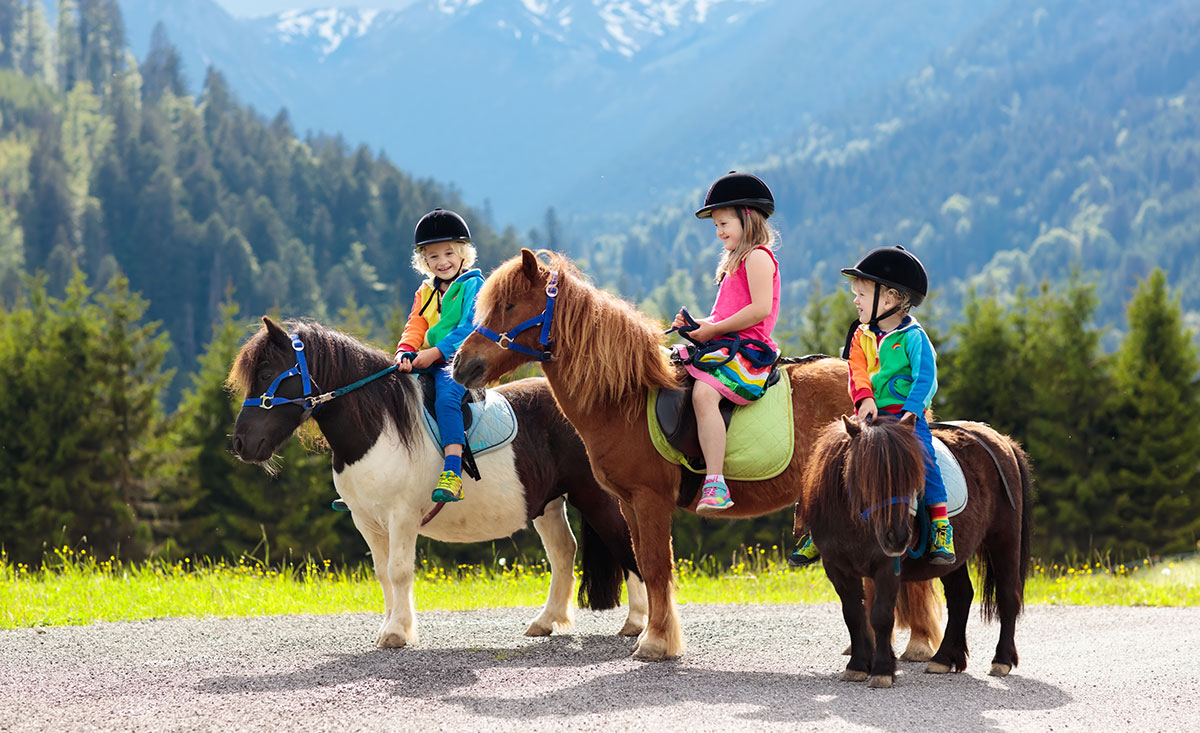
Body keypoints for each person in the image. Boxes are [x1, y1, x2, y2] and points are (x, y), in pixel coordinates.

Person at [791, 245, 956, 566]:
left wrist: (912, 411)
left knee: (925, 460)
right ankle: (817, 527)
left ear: (890, 298)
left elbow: (926, 377)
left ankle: (940, 525)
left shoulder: (914, 337)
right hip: (868, 415)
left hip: (905, 418)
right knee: (833, 460)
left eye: (862, 295)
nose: (855, 301)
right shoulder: (861, 336)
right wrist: (864, 399)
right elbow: (856, 370)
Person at [671, 171, 781, 514]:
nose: (719, 232)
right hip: (727, 343)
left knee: (705, 394)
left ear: (747, 217)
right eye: (716, 226)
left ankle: (716, 482)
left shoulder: (758, 257)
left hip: (749, 350)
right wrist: (698, 326)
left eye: (723, 224)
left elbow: (760, 309)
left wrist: (713, 330)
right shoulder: (737, 260)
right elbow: (723, 316)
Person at [395, 208, 485, 503]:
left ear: (463, 254)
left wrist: (435, 352)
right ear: (424, 261)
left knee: (446, 399)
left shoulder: (474, 285)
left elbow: (469, 328)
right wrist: (405, 350)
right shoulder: (424, 291)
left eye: (449, 253)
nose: (442, 261)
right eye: (433, 256)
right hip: (426, 358)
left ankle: (452, 474)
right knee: (390, 391)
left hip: (460, 361)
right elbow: (416, 324)